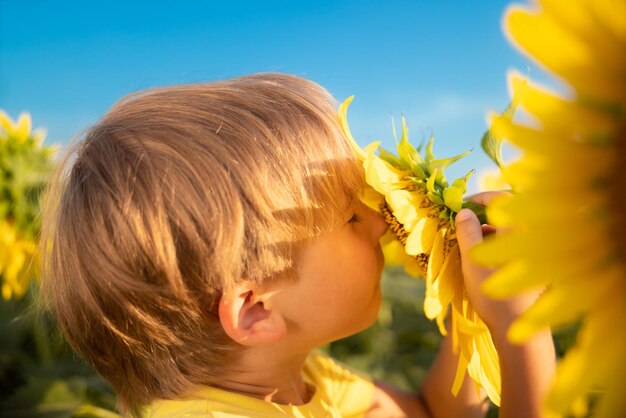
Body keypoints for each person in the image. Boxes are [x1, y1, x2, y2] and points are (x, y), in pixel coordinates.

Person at [40, 73, 555, 418]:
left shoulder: (297, 379)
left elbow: (427, 412)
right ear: (255, 308)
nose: (380, 223)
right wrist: (523, 337)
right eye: (351, 216)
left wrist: (477, 306)